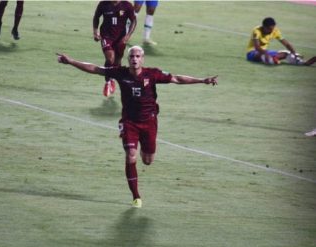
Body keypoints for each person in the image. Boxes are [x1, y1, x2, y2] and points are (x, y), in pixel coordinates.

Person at [56, 46, 218, 208]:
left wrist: (202, 80)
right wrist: (71, 61)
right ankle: (136, 197)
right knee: (130, 156)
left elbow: (177, 79)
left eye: (138, 56)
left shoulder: (152, 74)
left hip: (149, 122)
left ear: (143, 59)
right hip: (129, 122)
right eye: (132, 56)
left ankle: (143, 148)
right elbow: (96, 69)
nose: (135, 59)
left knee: (147, 160)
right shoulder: (120, 73)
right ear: (128, 59)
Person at [93, 1, 137, 97]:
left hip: (120, 38)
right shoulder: (103, 4)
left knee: (117, 61)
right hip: (106, 36)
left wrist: (128, 36)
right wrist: (95, 32)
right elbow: (96, 17)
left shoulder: (127, 5)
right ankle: (108, 81)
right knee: (110, 58)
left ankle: (113, 78)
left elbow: (134, 20)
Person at [246, 17, 316, 66]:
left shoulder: (275, 31)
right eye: (270, 29)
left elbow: (286, 44)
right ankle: (271, 59)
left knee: (286, 53)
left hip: (266, 52)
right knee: (261, 54)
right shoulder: (256, 31)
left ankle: (303, 63)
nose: (271, 31)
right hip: (252, 53)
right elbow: (257, 47)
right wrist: (266, 54)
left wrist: (293, 53)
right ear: (264, 26)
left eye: (273, 28)